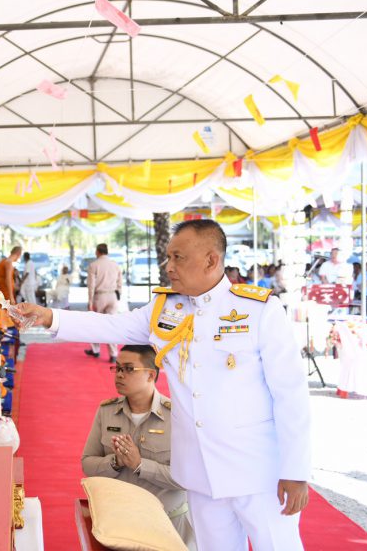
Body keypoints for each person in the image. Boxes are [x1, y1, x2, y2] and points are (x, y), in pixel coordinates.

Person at [16, 220, 310, 551]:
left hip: (257, 471)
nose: (168, 267)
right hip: (200, 473)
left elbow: (291, 395)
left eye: (178, 258)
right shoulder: (165, 307)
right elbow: (112, 326)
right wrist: (50, 317)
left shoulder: (257, 310)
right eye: (168, 257)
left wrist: (295, 470)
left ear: (211, 260)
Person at [82, 344, 196, 549]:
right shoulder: (106, 411)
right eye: (116, 368)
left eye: (128, 369)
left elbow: (189, 478)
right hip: (119, 529)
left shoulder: (177, 416)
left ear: (151, 375)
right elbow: (88, 464)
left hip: (168, 526)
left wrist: (140, 465)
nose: (119, 375)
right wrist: (115, 462)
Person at [85, 243, 123, 361]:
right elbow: (120, 282)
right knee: (111, 326)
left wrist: (90, 301)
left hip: (99, 297)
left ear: (98, 251)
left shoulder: (94, 265)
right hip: (112, 296)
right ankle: (113, 354)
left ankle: (96, 350)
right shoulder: (115, 265)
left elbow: (91, 285)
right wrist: (118, 294)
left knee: (95, 324)